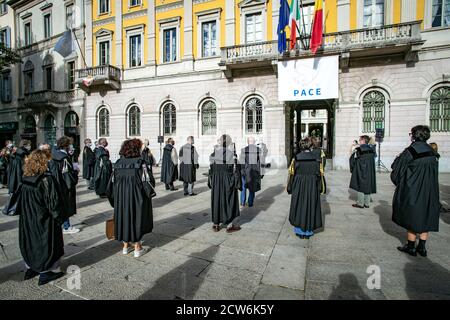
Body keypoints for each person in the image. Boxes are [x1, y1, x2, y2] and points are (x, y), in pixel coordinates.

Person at [16, 150, 66, 285]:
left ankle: (31, 267)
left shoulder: (25, 177)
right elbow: (54, 203)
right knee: (45, 243)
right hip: (44, 218)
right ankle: (46, 272)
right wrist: (59, 218)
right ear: (43, 162)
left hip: (27, 218)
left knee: (30, 242)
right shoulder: (46, 179)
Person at [391, 125, 440, 257]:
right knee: (426, 214)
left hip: (413, 188)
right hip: (430, 189)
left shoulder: (410, 151)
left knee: (412, 215)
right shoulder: (432, 151)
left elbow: (397, 169)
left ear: (414, 135)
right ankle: (422, 247)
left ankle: (411, 246)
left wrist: (397, 159)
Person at [107, 139, 153, 258]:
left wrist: (114, 197)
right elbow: (147, 181)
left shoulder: (118, 163)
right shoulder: (140, 162)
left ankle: (125, 246)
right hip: (136, 196)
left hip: (121, 197)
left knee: (124, 218)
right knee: (136, 218)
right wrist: (149, 193)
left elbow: (112, 183)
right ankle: (137, 247)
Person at [287, 137, 323, 239]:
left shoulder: (296, 158)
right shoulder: (316, 158)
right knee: (311, 205)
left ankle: (299, 231)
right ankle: (308, 232)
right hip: (312, 185)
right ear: (310, 146)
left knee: (299, 206)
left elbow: (292, 174)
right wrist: (319, 188)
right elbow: (319, 174)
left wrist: (290, 187)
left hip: (299, 185)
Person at [208, 134, 241, 233]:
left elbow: (210, 168)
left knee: (217, 200)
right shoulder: (231, 154)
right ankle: (229, 225)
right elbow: (236, 169)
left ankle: (216, 224)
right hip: (227, 179)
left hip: (216, 180)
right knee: (229, 200)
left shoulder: (213, 154)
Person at [48, 136, 80, 235]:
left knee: (61, 205)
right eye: (70, 144)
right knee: (65, 205)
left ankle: (63, 224)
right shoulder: (64, 158)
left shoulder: (54, 155)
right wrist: (75, 172)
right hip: (64, 185)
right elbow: (67, 175)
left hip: (56, 183)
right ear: (66, 145)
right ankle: (66, 226)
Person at [349, 135, 376, 209]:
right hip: (369, 170)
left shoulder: (359, 150)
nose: (359, 141)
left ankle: (360, 203)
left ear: (363, 141)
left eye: (360, 140)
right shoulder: (371, 149)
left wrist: (352, 167)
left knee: (360, 185)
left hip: (361, 170)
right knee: (367, 185)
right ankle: (367, 203)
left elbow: (353, 159)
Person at [239, 137, 262, 208]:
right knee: (252, 188)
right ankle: (250, 202)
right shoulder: (258, 150)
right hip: (254, 172)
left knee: (243, 187)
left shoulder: (243, 150)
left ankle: (242, 202)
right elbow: (259, 163)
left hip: (245, 171)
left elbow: (241, 162)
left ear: (248, 142)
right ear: (254, 142)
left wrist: (242, 171)